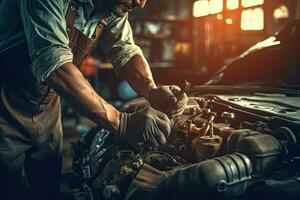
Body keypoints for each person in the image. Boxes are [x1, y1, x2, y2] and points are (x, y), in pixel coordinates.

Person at [0, 0, 188, 199]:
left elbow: (125, 49)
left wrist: (152, 91)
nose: (140, 4)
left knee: (47, 185)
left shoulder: (110, 8)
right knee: (9, 188)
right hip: (4, 108)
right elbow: (52, 61)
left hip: (47, 109)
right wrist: (121, 122)